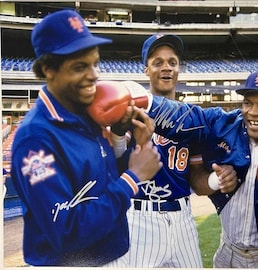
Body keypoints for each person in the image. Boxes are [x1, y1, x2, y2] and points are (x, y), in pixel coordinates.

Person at [89, 70, 258, 268]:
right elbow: (185, 116)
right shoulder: (225, 124)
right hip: (227, 252)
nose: (253, 112)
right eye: (248, 103)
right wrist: (138, 98)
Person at [10, 9, 162, 266]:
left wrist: (118, 137)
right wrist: (133, 179)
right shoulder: (35, 139)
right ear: (48, 69)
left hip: (108, 256)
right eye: (80, 66)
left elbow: (100, 183)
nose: (93, 75)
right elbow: (65, 231)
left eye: (95, 63)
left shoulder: (85, 113)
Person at [107, 33, 236, 268]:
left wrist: (217, 180)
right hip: (139, 216)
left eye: (172, 62)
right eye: (158, 62)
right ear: (146, 70)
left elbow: (196, 180)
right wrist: (117, 134)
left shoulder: (191, 120)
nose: (166, 68)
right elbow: (113, 167)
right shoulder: (133, 111)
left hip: (182, 218)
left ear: (179, 69)